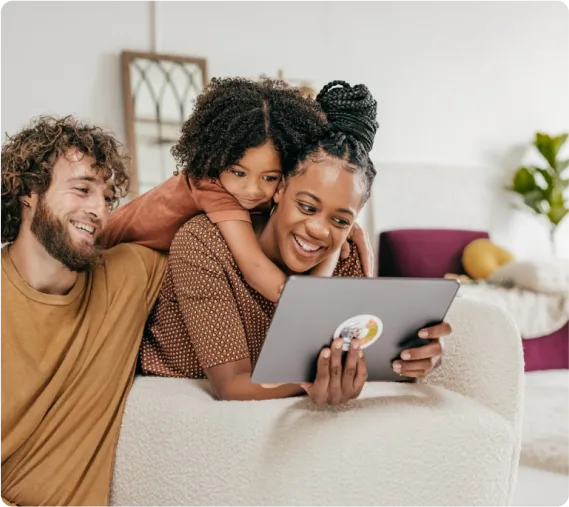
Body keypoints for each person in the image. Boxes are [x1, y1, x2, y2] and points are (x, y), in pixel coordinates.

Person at [106, 81, 452, 404]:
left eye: (340, 219)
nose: (318, 229)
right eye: (307, 206)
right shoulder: (204, 240)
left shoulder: (346, 254)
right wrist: (312, 382)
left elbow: (355, 356)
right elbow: (232, 385)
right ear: (282, 189)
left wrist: (405, 363)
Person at [0, 116, 167, 507]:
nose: (98, 210)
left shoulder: (126, 276)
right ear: (27, 192)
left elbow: (201, 193)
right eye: (81, 190)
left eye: (108, 198)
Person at [101, 78, 373, 304]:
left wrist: (346, 227)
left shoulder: (244, 189)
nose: (252, 190)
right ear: (216, 158)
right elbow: (255, 268)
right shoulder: (211, 186)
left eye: (270, 177)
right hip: (105, 252)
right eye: (238, 172)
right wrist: (314, 308)